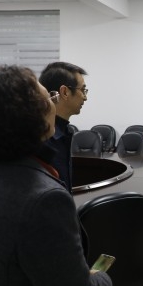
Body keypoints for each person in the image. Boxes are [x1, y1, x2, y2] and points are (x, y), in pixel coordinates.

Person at [0, 65, 112, 286]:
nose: (54, 104)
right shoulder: (45, 199)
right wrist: (102, 278)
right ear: (29, 117)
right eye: (48, 98)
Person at [39, 61, 88, 191]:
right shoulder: (44, 137)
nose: (85, 97)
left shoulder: (64, 131)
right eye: (82, 90)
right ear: (65, 92)